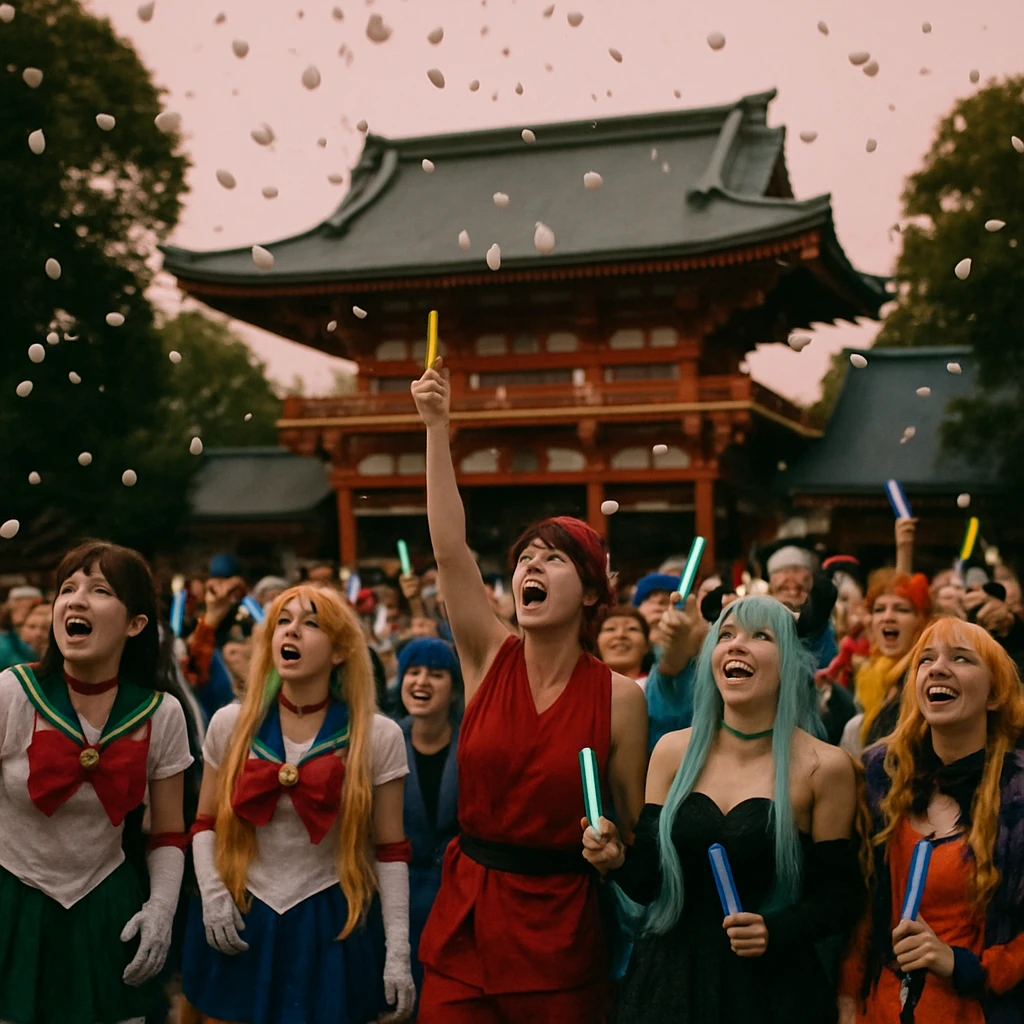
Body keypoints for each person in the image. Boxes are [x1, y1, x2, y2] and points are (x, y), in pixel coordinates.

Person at [410, 358, 649, 1023]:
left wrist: (613, 851)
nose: (530, 567)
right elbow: (449, 548)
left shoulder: (620, 698)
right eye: (523, 560)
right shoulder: (486, 654)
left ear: (593, 593)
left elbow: (634, 833)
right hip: (465, 917)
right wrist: (436, 426)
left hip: (560, 933)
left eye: (553, 558)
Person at [583, 595, 864, 1023]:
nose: (736, 645)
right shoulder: (673, 752)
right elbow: (649, 880)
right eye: (726, 635)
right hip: (672, 983)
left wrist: (775, 930)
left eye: (760, 636)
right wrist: (615, 857)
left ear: (789, 662)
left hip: (770, 992)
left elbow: (838, 897)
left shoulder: (823, 767)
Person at [180, 585, 416, 1024]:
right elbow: (204, 823)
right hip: (243, 913)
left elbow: (391, 851)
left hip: (331, 921)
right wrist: (212, 894)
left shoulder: (377, 735)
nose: (292, 631)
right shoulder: (230, 724)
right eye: (283, 622)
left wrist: (398, 951)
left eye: (311, 624)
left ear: (340, 651)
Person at [0, 541, 192, 1024]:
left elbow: (168, 833)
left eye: (100, 590)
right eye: (67, 589)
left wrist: (161, 909)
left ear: (136, 624)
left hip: (106, 906)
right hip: (12, 900)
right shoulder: (11, 693)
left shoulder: (162, 713)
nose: (76, 600)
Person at [839, 618, 1024, 1023]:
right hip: (880, 1009)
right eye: (926, 659)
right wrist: (849, 998)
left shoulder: (1017, 794)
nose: (938, 668)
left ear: (994, 694)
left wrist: (961, 964)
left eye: (961, 659)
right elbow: (861, 906)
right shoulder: (881, 776)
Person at [395, 638, 463, 1001]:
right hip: (396, 898)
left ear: (455, 689)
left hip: (455, 897)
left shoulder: (472, 742)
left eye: (436, 674)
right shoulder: (385, 739)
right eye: (413, 671)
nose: (421, 681)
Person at [841, 569, 932, 757]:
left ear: (921, 621)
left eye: (901, 609)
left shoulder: (928, 675)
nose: (887, 617)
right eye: (879, 609)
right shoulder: (868, 673)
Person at [597, 606, 651, 687]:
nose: (620, 634)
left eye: (632, 629)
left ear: (647, 645)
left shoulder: (658, 688)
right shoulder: (584, 685)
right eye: (610, 629)